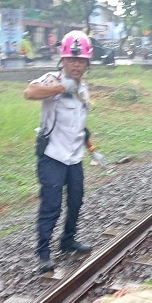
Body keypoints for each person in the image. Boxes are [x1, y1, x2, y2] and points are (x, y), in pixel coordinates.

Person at [24, 30, 95, 274]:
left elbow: (80, 125)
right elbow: (29, 93)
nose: (76, 64)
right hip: (52, 157)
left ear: (87, 63)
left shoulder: (84, 89)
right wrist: (58, 88)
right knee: (51, 206)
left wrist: (92, 148)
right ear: (63, 60)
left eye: (81, 60)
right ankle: (43, 253)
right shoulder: (51, 78)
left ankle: (68, 240)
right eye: (71, 59)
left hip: (75, 158)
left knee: (76, 202)